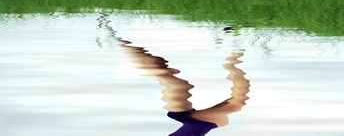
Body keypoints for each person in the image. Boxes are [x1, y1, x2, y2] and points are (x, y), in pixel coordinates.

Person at [96, 15, 250, 136]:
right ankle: (234, 45)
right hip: (192, 123)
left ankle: (234, 46)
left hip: (194, 124)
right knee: (169, 77)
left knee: (166, 74)